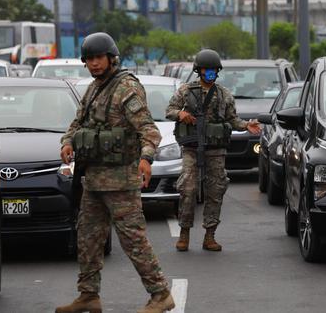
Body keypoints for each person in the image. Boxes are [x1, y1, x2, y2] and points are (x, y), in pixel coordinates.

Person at [56, 32, 174, 313]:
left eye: (99, 58)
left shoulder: (126, 88)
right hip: (94, 180)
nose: (94, 64)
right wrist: (67, 142)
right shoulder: (94, 88)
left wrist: (146, 159)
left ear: (111, 58)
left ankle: (160, 294)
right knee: (87, 238)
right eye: (89, 60)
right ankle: (88, 295)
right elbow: (78, 121)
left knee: (133, 239)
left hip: (120, 181)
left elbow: (149, 130)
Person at [166, 49, 261, 252]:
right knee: (188, 189)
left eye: (213, 70)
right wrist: (181, 114)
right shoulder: (186, 91)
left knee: (215, 190)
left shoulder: (224, 94)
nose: (210, 73)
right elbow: (169, 111)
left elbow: (232, 119)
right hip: (192, 148)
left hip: (216, 149)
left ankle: (210, 235)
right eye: (206, 69)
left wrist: (246, 126)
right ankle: (184, 232)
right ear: (198, 71)